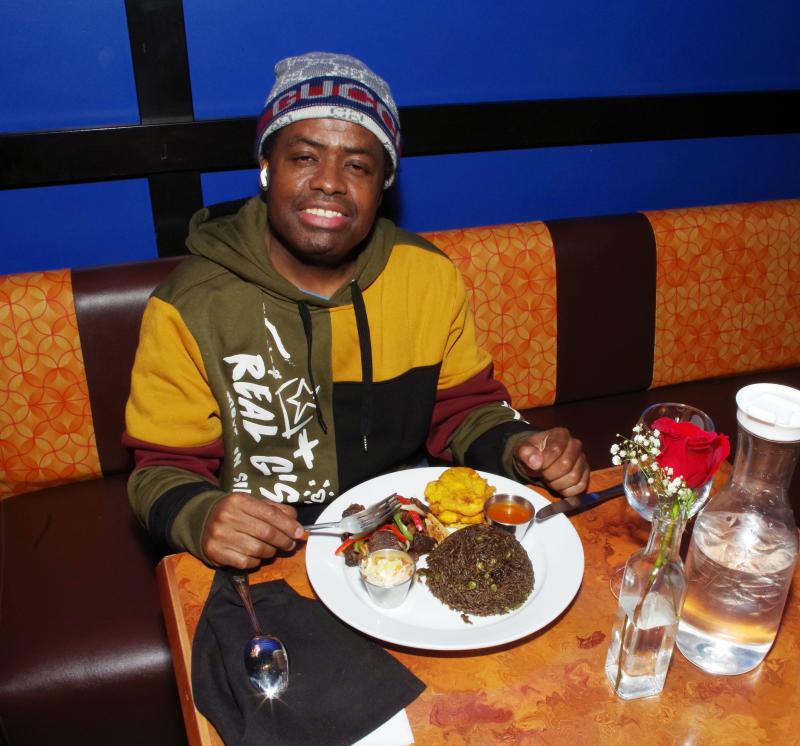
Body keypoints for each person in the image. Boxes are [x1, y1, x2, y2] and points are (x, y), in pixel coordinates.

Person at [124, 51, 589, 569]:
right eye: (304, 157)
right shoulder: (189, 304)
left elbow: (463, 409)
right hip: (270, 552)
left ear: (381, 187)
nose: (329, 182)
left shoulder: (427, 276)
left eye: (358, 166)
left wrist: (523, 447)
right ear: (265, 167)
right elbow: (160, 470)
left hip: (407, 536)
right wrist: (200, 514)